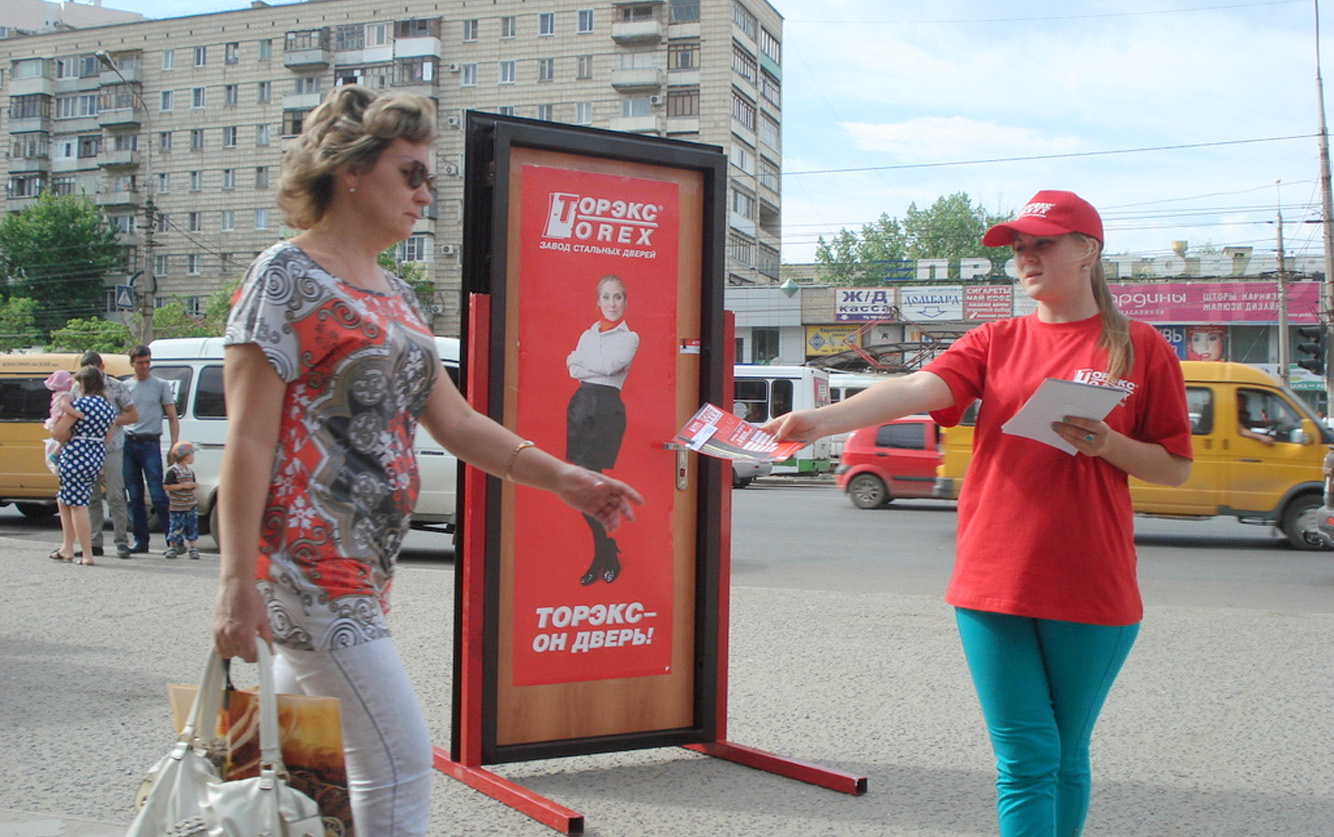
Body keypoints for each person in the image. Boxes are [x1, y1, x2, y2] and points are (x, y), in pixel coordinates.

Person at [210, 85, 643, 836]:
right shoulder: (285, 277)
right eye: (410, 173)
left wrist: (565, 479)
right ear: (351, 170)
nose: (424, 192)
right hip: (310, 565)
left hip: (364, 567)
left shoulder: (397, 294)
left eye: (428, 177)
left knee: (300, 771)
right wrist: (233, 582)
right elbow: (248, 438)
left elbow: (458, 421)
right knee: (398, 764)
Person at [763, 190, 1193, 836]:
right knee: (1025, 758)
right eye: (1018, 247)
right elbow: (917, 386)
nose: (1025, 257)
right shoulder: (996, 340)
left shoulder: (1140, 347)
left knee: (1065, 753)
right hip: (994, 578)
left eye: (1042, 243)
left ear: (1088, 250)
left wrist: (1108, 444)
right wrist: (819, 420)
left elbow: (1174, 467)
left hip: (1091, 580)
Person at [565, 274, 639, 585]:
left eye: (617, 297)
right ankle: (605, 550)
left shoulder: (630, 337)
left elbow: (609, 367)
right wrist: (586, 363)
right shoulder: (588, 334)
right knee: (583, 483)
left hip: (606, 408)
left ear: (625, 301)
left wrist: (585, 363)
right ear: (598, 301)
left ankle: (603, 553)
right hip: (581, 404)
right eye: (606, 297)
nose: (612, 303)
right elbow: (572, 367)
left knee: (591, 483)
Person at [49, 365, 118, 566]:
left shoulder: (79, 405)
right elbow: (108, 438)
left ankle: (86, 553)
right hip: (95, 456)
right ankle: (67, 548)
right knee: (64, 500)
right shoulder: (109, 408)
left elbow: (58, 433)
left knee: (78, 505)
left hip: (74, 455)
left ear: (83, 384)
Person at [77, 350, 139, 560]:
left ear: (102, 368)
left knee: (115, 495)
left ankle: (121, 541)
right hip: (86, 449)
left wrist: (107, 420)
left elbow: (133, 415)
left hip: (112, 447)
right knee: (91, 497)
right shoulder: (78, 387)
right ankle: (94, 542)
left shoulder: (116, 386)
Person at [122, 344, 179, 554]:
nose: (145, 366)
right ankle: (141, 540)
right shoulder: (125, 386)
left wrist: (174, 446)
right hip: (129, 442)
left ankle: (173, 541)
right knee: (134, 495)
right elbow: (119, 416)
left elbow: (172, 416)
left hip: (151, 442)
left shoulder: (160, 385)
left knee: (158, 494)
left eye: (147, 362)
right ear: (132, 364)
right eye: (140, 363)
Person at [163, 441, 200, 560]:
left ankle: (193, 548)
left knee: (191, 526)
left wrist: (193, 485)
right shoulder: (173, 472)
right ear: (186, 456)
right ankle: (172, 547)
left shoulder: (190, 472)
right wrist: (183, 486)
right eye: (192, 454)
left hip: (190, 505)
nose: (193, 457)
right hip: (177, 506)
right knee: (175, 527)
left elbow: (192, 484)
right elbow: (166, 486)